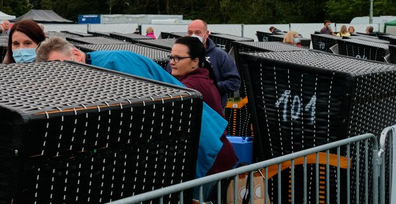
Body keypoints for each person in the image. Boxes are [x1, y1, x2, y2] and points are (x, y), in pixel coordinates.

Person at [36, 36, 236, 177]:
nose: (63, 77)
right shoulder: (94, 73)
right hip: (186, 153)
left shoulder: (117, 66)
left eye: (62, 68)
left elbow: (153, 119)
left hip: (203, 152)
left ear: (77, 55)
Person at [184, 19, 242, 109]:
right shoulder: (181, 55)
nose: (193, 35)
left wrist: (211, 87)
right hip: (188, 107)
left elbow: (235, 82)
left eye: (197, 32)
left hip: (214, 109)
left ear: (206, 34)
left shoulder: (220, 55)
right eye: (190, 32)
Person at [168, 36, 223, 114]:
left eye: (178, 58)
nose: (172, 62)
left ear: (195, 62)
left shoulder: (189, 87)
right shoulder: (202, 78)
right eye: (171, 57)